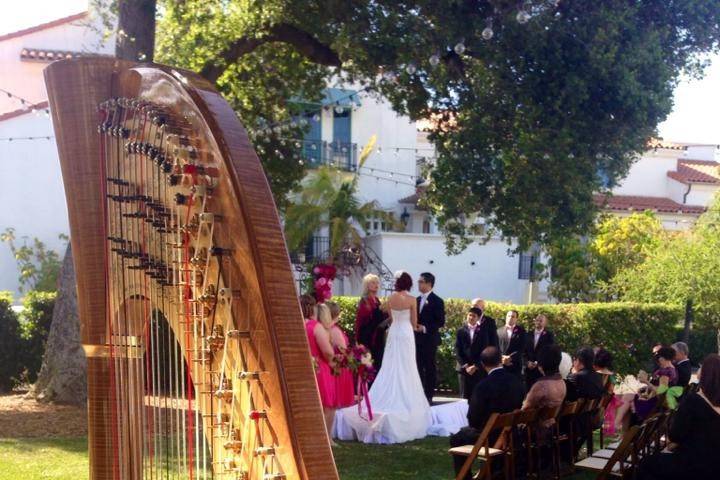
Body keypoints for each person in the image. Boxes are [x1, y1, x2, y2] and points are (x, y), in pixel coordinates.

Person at [337, 271, 432, 443]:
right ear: (409, 284)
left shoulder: (389, 300)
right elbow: (413, 323)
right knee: (407, 365)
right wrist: (418, 327)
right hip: (406, 333)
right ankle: (407, 399)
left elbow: (388, 317)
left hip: (394, 332)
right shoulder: (412, 300)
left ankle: (385, 396)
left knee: (390, 365)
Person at [637, 354, 720, 480]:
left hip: (694, 465)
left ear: (705, 375)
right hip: (715, 465)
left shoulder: (693, 401)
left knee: (647, 464)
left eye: (701, 367)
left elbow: (676, 435)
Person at [449, 346, 525, 480]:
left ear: (483, 365)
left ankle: (464, 476)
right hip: (511, 433)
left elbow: (473, 419)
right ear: (501, 361)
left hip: (489, 437)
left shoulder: (482, 386)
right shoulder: (517, 381)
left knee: (458, 437)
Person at [305, 303, 338, 442]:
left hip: (306, 366)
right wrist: (334, 363)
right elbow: (328, 352)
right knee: (327, 404)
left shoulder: (302, 324)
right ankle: (326, 438)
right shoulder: (315, 326)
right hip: (320, 367)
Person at [564, 347, 605, 457]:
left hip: (575, 423)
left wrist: (570, 375)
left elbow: (566, 398)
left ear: (578, 360)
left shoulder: (575, 377)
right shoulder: (598, 377)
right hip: (593, 419)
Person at [416, 272, 446, 404]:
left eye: (421, 281)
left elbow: (440, 321)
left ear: (429, 284)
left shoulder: (437, 301)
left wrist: (424, 327)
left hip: (429, 340)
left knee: (429, 367)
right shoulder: (416, 300)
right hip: (416, 339)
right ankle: (417, 393)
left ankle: (428, 395)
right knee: (417, 366)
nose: (418, 284)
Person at [633, 346, 678, 423]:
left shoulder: (666, 372)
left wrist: (646, 381)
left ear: (662, 358)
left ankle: (629, 429)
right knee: (632, 398)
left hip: (656, 405)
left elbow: (662, 391)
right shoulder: (673, 369)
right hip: (660, 401)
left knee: (631, 401)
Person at [355, 273, 389, 372]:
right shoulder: (364, 300)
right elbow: (363, 321)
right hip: (368, 338)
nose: (376, 285)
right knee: (369, 366)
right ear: (367, 285)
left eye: (377, 282)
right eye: (373, 283)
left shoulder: (377, 300)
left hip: (378, 337)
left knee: (378, 365)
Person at [327, 301, 355, 409]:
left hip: (335, 367)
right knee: (341, 404)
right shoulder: (334, 330)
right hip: (340, 369)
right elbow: (344, 350)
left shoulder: (326, 328)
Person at [455, 307, 486, 400]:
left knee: (476, 397)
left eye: (474, 316)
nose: (471, 317)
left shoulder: (483, 332)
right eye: (469, 315)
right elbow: (457, 350)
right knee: (463, 397)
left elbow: (484, 350)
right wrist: (466, 366)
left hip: (477, 369)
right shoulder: (460, 331)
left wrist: (476, 365)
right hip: (464, 369)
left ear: (478, 318)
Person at [524, 314, 555, 389]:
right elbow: (523, 351)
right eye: (537, 320)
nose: (538, 322)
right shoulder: (528, 334)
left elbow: (550, 352)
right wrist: (527, 362)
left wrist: (538, 363)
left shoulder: (549, 336)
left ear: (545, 323)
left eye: (541, 321)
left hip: (541, 370)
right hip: (528, 370)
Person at [497, 309, 526, 377]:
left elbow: (522, 347)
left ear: (516, 319)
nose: (510, 318)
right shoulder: (498, 331)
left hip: (515, 365)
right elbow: (496, 346)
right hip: (501, 364)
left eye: (513, 316)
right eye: (509, 316)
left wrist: (510, 358)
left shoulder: (522, 331)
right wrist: (502, 357)